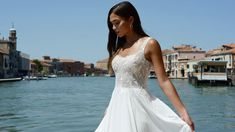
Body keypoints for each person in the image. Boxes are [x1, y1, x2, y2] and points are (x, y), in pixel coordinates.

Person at [95, 1, 195, 132]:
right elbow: (119, 82)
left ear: (130, 20)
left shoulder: (150, 44)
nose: (113, 28)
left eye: (117, 23)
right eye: (111, 24)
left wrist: (183, 113)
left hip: (139, 107)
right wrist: (109, 108)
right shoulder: (119, 48)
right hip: (116, 108)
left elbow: (164, 80)